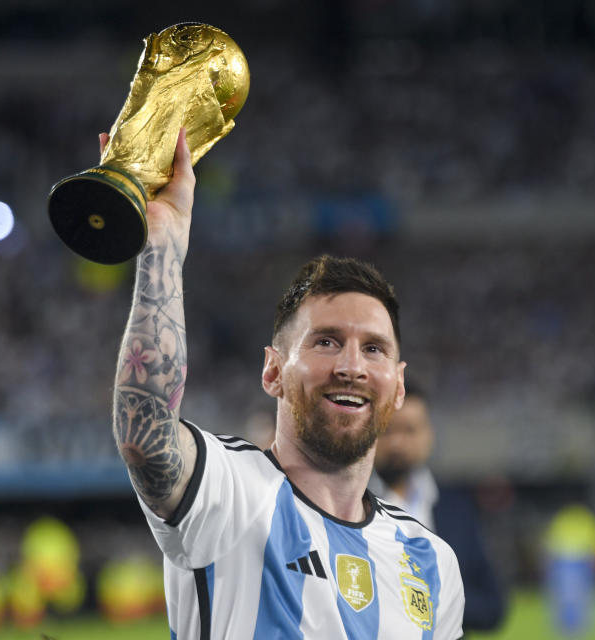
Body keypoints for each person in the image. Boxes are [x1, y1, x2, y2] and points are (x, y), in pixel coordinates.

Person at [106, 129, 464, 638]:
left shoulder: (432, 562)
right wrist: (160, 244)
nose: (352, 366)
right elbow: (145, 434)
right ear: (272, 371)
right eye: (325, 342)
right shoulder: (230, 492)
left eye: (374, 348)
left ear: (399, 387)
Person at [372, 384, 508, 632]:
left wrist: (430, 599)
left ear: (429, 435)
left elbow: (493, 607)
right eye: (386, 430)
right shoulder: (346, 506)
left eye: (410, 430)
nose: (397, 444)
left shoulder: (456, 509)